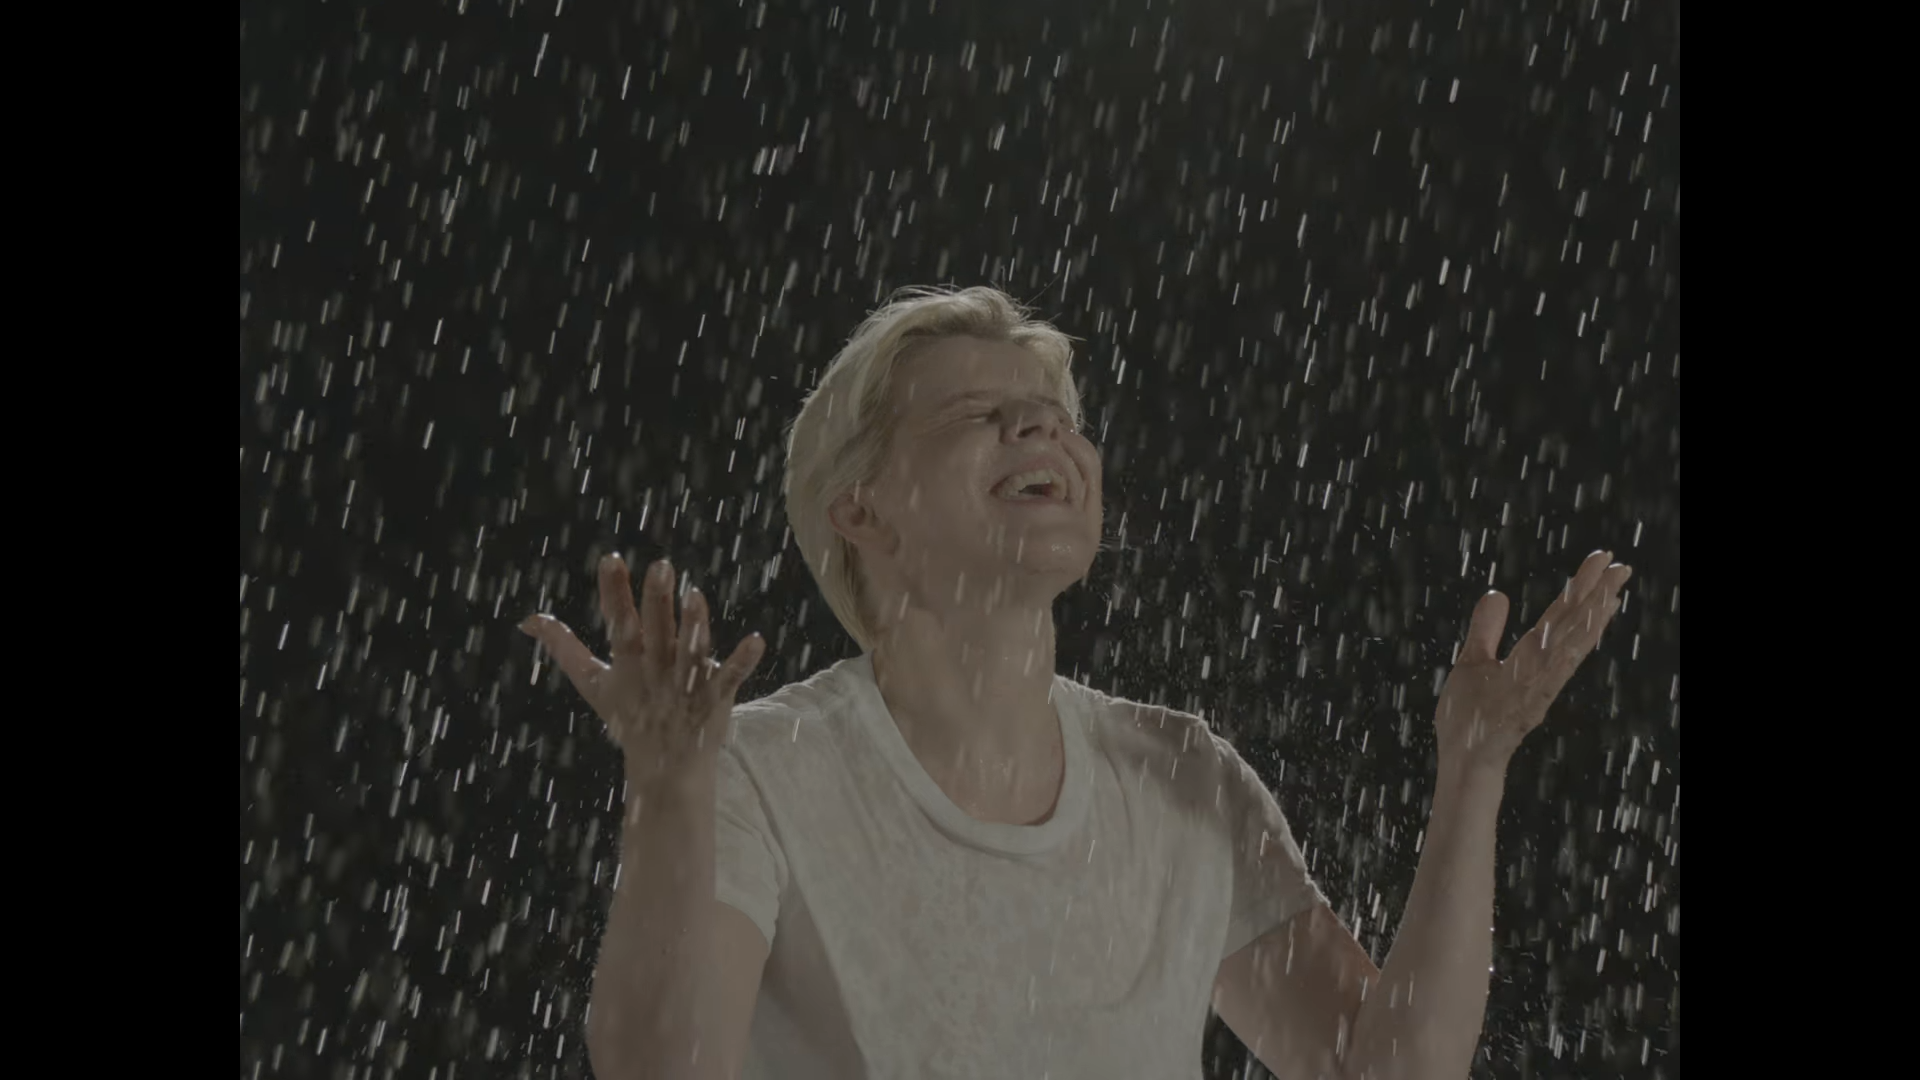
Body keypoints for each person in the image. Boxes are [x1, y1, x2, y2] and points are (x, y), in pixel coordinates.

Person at [519, 286, 1633, 1080]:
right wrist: (668, 789)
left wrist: (1475, 771)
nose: (1042, 424)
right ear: (863, 509)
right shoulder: (754, 773)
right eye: (974, 413)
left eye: (1058, 416)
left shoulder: (1184, 776)